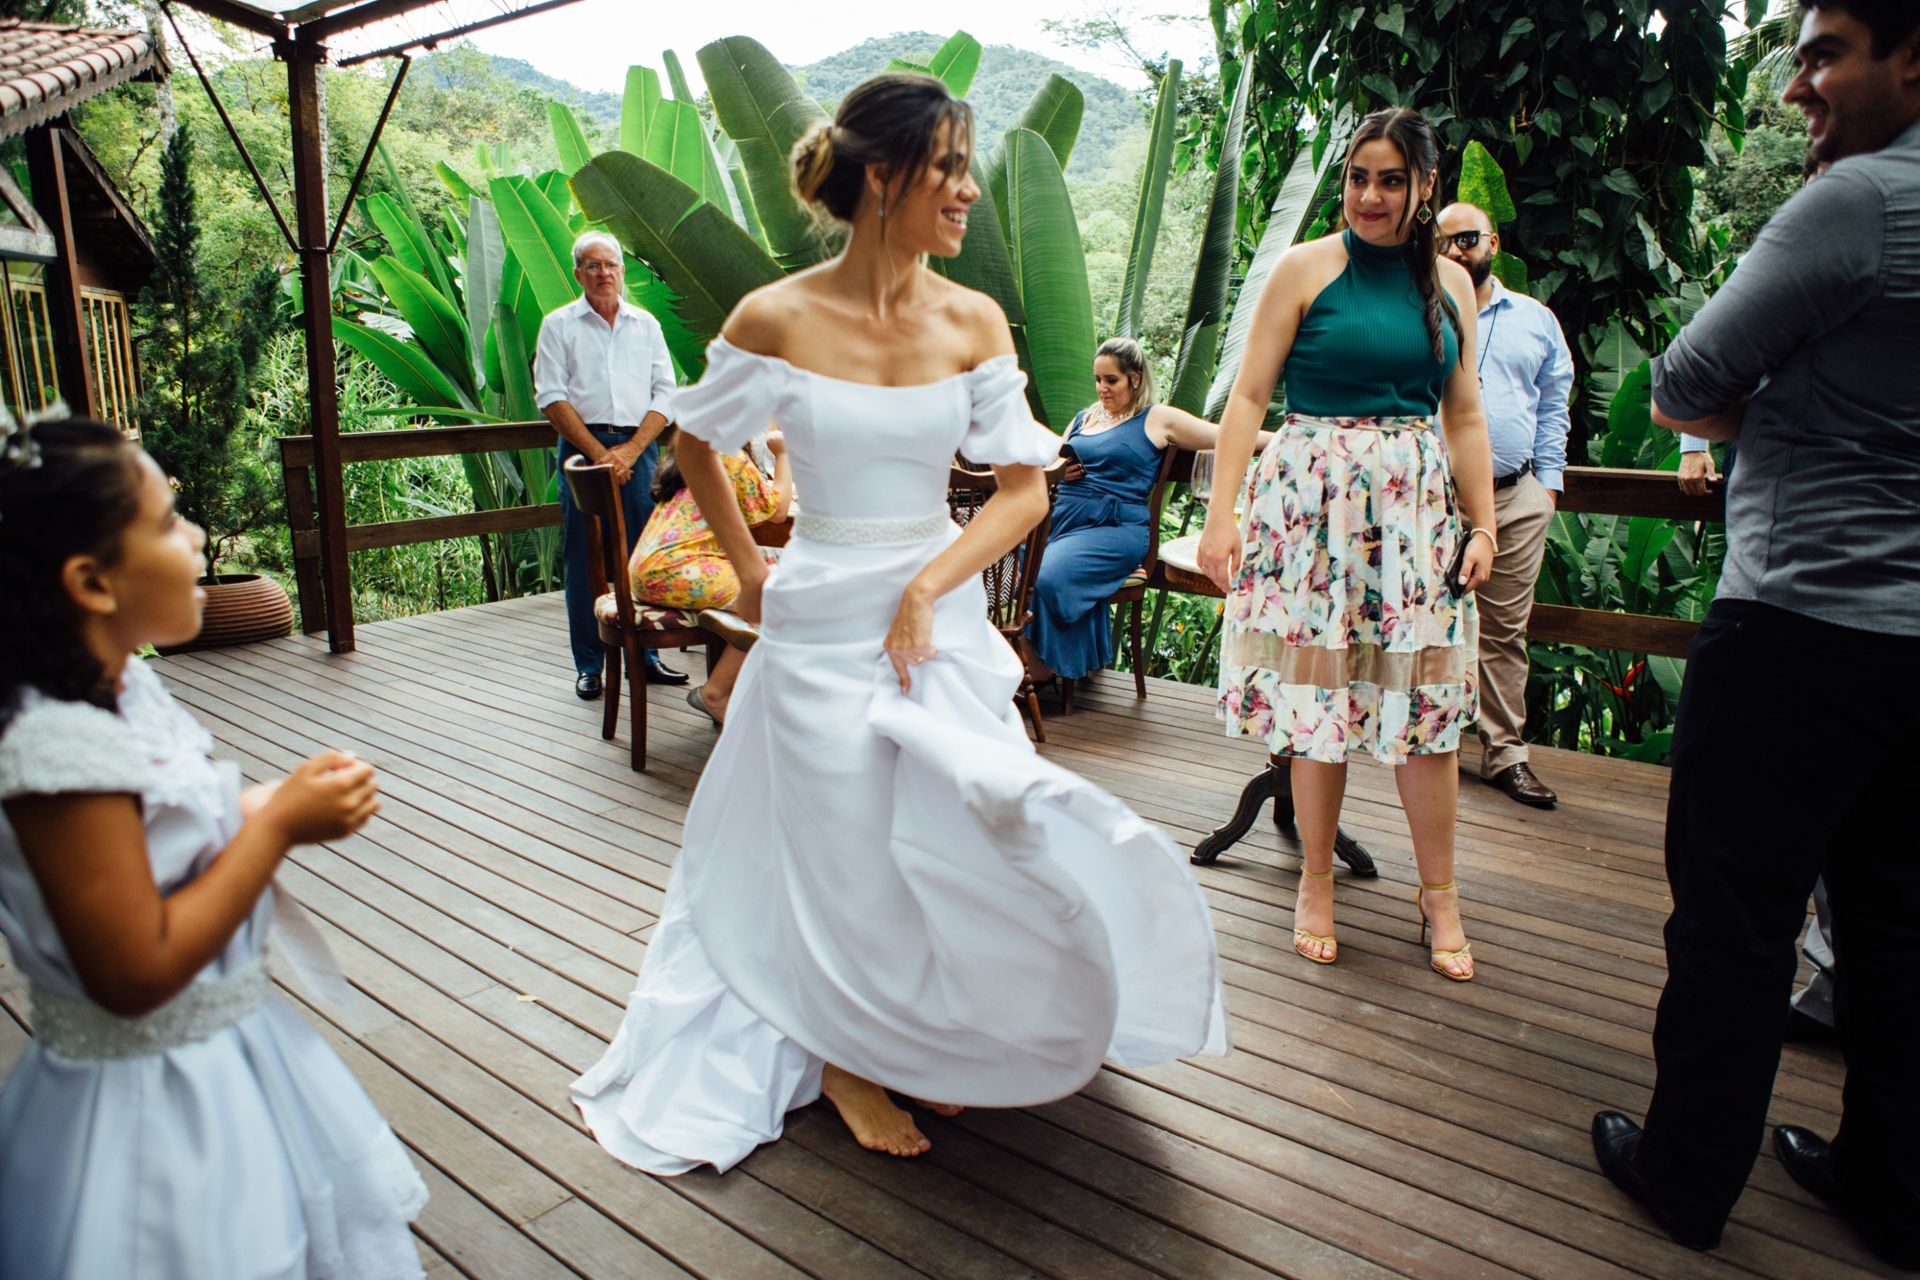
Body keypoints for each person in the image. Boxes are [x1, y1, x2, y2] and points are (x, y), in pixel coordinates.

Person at [570, 72, 1227, 1173]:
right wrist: (749, 571)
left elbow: (1024, 490)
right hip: (821, 608)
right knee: (838, 833)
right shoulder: (776, 316)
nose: (969, 191)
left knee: (966, 814)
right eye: (951, 168)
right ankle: (843, 1051)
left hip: (939, 607)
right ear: (885, 178)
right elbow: (691, 439)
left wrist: (929, 584)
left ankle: (929, 1020)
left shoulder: (971, 318)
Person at [1589, 2, 1920, 1268]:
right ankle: (1889, 1182)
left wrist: (1772, 398)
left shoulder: (1857, 205)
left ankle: (1686, 1172)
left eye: (1825, 51)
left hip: (1800, 620)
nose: (1799, 87)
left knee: (1734, 909)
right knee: (1897, 919)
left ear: (1912, 53)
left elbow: (1682, 380)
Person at [0, 418, 426, 1278]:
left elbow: (156, 827)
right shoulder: (56, 752)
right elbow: (135, 971)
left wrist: (265, 801)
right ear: (90, 580)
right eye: (166, 523)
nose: (195, 539)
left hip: (229, 1055)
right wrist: (273, 828)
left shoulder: (125, 686)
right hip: (150, 1108)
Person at [1195, 107, 1496, 980]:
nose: (1370, 195)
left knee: (1427, 716)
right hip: (1306, 514)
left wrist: (1481, 525)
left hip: (1415, 519)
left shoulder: (1451, 284)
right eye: (1358, 177)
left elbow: (1466, 413)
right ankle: (1315, 881)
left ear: (1424, 186)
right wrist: (1224, 517)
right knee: (1318, 712)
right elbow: (1248, 398)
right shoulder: (1302, 269)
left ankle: (1439, 894)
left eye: (1391, 179)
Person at [1435, 202, 1574, 809]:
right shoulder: (1419, 309)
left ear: (1490, 241)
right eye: (1442, 242)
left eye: (1466, 239)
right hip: (1431, 497)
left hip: (1514, 495)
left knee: (1504, 632)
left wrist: (1547, 488)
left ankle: (1505, 755)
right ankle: (1424, 742)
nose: (1455, 252)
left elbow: (1553, 404)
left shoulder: (1535, 319)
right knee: (1421, 619)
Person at [1027, 336, 1262, 684]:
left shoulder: (1155, 419)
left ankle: (1039, 668)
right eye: (1097, 380)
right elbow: (1048, 466)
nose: (1102, 388)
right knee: (1009, 563)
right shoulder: (1083, 419)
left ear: (1134, 379)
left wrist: (1287, 439)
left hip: (1113, 528)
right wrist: (1062, 470)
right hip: (1062, 520)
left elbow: (1223, 435)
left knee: (1045, 574)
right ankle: (1055, 662)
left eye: (1111, 380)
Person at [536, 230, 687, 698]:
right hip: (582, 451)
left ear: (622, 271)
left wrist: (630, 451)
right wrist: (603, 455)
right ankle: (590, 664)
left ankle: (646, 655)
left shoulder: (647, 325)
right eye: (594, 266)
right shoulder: (558, 324)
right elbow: (551, 397)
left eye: (611, 265)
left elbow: (666, 393)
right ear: (579, 273)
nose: (604, 273)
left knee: (644, 553)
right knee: (585, 557)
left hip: (638, 451)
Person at [631, 427, 792, 726]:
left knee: (777, 567)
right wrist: (783, 453)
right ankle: (716, 693)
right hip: (679, 569)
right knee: (777, 599)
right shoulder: (731, 457)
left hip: (650, 567)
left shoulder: (689, 453)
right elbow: (779, 511)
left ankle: (745, 684)